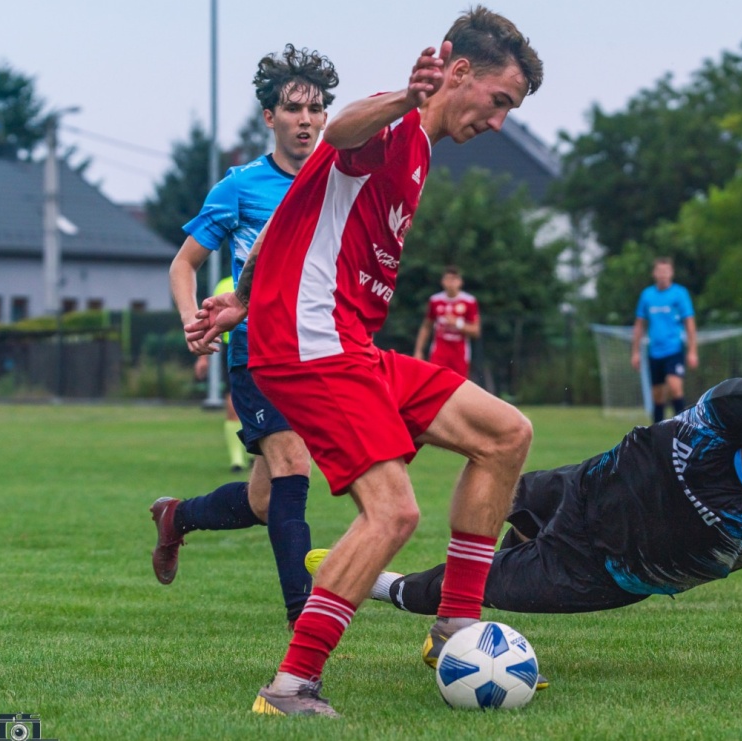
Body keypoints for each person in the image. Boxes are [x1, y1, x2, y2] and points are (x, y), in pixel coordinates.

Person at [184, 7, 544, 718]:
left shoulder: (421, 149)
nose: (499, 121)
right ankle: (290, 688)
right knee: (392, 511)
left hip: (351, 344)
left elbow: (296, 212)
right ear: (459, 71)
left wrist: (243, 300)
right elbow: (343, 131)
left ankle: (454, 630)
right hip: (312, 346)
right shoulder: (394, 128)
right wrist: (407, 100)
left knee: (506, 433)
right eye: (499, 101)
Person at [306, 372, 742, 636]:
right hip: (577, 488)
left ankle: (384, 585)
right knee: (490, 495)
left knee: (473, 583)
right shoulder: (725, 418)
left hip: (595, 572)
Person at [153, 45, 339, 631]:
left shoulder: (338, 180)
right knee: (292, 472)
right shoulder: (240, 187)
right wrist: (192, 319)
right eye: (293, 108)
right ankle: (305, 622)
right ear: (270, 117)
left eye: (316, 109)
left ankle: (178, 517)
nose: (306, 120)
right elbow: (184, 265)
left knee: (265, 501)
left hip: (317, 353)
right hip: (254, 352)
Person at [193, 275, 251, 473]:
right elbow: (212, 320)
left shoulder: (268, 271)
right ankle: (237, 461)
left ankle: (256, 454)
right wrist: (203, 358)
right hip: (234, 347)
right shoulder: (225, 284)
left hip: (265, 343)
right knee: (233, 404)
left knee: (262, 402)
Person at [631, 257, 699, 423]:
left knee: (675, 387)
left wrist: (692, 351)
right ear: (654, 273)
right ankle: (656, 433)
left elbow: (689, 322)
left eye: (666, 271)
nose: (663, 275)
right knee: (658, 396)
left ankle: (683, 427)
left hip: (674, 349)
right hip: (654, 351)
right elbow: (639, 325)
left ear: (671, 273)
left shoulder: (679, 294)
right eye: (660, 271)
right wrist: (635, 352)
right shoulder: (647, 295)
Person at [413, 265, 480, 378]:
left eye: (454, 279)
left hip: (460, 353)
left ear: (460, 282)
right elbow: (426, 326)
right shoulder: (435, 300)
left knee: (459, 385)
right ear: (442, 281)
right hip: (440, 351)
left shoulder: (469, 302)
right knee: (435, 382)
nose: (451, 283)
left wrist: (457, 324)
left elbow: (476, 331)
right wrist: (418, 351)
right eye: (448, 279)